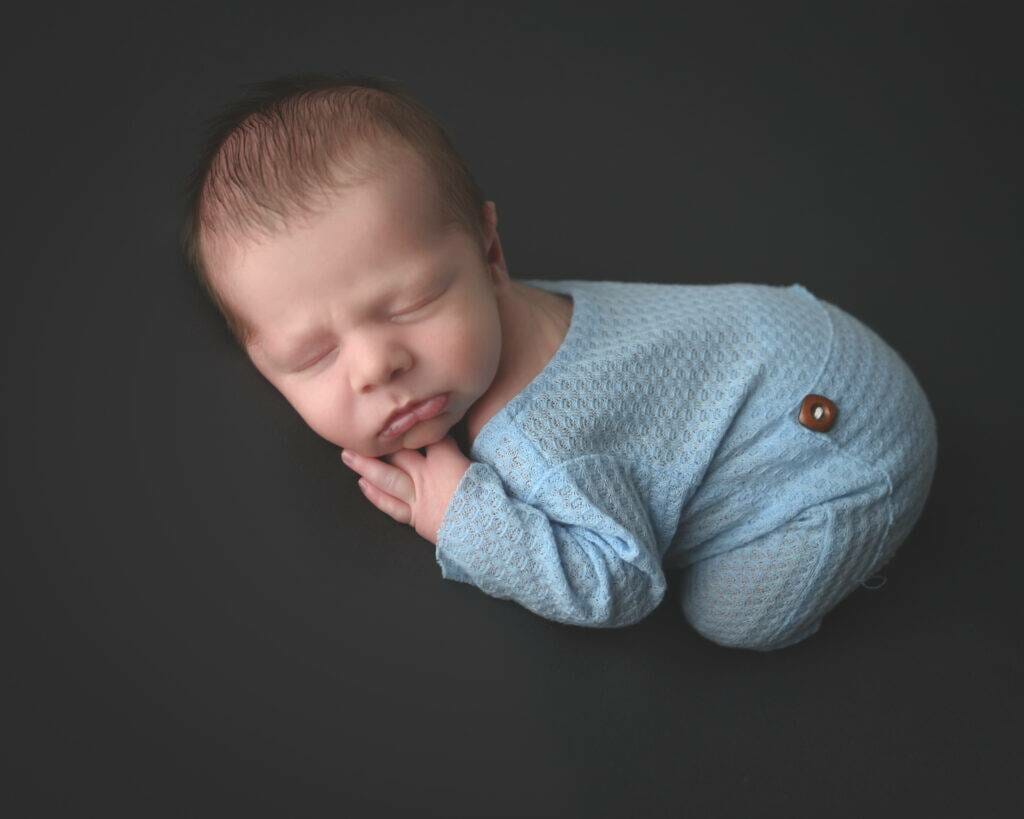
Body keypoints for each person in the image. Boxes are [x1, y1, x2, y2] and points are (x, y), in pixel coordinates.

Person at [179, 72, 938, 650]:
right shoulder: (513, 305)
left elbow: (621, 584)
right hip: (808, 344)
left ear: (490, 251)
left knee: (729, 616)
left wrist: (462, 518)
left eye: (410, 302)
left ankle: (864, 523)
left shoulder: (539, 445)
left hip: (847, 453)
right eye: (311, 355)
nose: (377, 366)